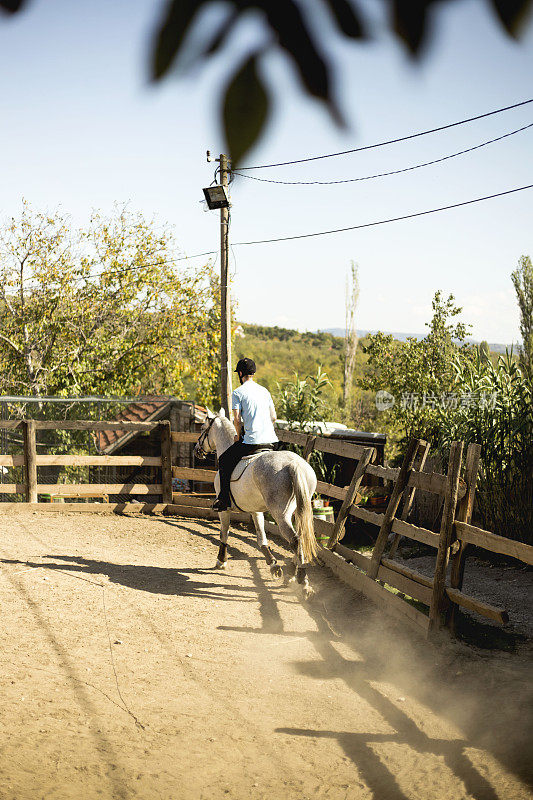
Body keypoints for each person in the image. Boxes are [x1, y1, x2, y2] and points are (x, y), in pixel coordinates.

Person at [212, 357, 278, 511]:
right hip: (272, 441)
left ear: (240, 373)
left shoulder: (238, 393)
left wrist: (237, 435)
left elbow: (236, 420)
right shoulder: (265, 391)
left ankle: (223, 500)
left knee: (224, 460)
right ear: (253, 373)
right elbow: (274, 417)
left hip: (252, 442)